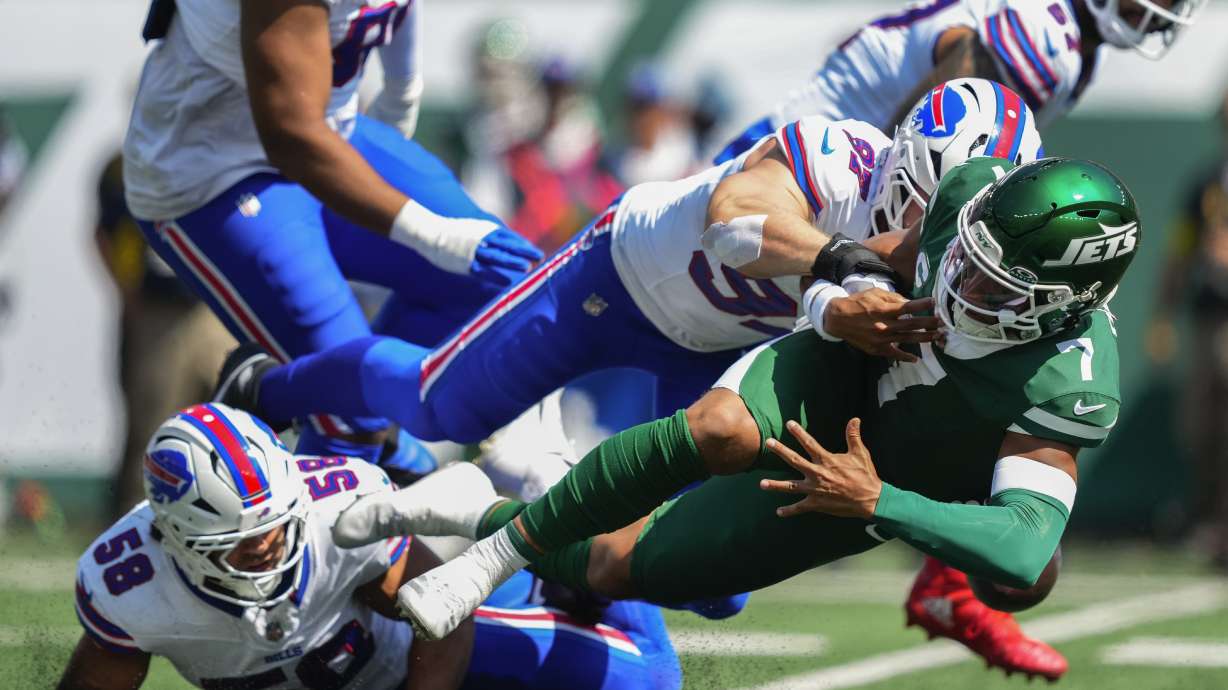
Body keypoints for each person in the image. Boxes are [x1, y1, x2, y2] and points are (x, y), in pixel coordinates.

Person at [339, 156, 1138, 689]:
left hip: (879, 473)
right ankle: (491, 560)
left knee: (621, 568)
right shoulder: (969, 200)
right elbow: (861, 260)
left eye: (995, 288)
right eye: (966, 255)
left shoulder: (1070, 373)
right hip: (844, 368)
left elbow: (1028, 537)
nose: (960, 280)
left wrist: (876, 502)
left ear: (1060, 307)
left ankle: (470, 508)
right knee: (718, 428)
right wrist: (836, 309)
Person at [121, 0, 542, 466]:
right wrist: (438, 236)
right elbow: (290, 136)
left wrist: (401, 90)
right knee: (353, 421)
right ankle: (278, 401)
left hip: (328, 133)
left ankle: (331, 401)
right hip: (217, 174)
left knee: (510, 284)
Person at [57, 403, 681, 690]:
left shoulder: (328, 516)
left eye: (279, 523)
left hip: (415, 645)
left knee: (650, 678)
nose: (273, 546)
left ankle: (546, 484)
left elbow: (442, 618)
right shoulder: (131, 588)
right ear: (182, 542)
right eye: (247, 542)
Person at [717, 0, 1205, 163]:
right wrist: (877, 203)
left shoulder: (1070, 41)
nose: (1164, 13)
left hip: (809, 151)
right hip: (801, 159)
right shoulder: (1049, 36)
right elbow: (942, 111)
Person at [93, 153, 237, 518]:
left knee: (231, 420)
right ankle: (135, 530)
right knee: (154, 427)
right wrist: (128, 294)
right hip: (159, 311)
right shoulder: (122, 167)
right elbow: (104, 233)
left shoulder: (222, 153)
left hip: (214, 308)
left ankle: (228, 524)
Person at [1145, 90, 1228, 570]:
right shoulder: (1206, 184)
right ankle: (1210, 524)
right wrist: (1162, 317)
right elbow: (1179, 254)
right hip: (1208, 321)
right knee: (1202, 429)